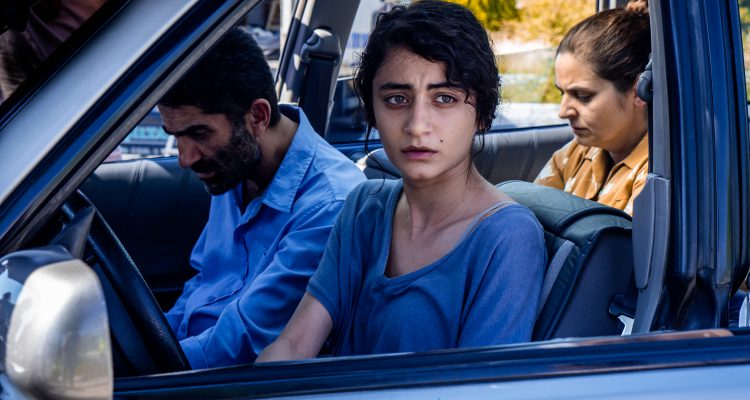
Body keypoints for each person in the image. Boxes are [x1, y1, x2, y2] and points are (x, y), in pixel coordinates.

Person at [257, 0, 545, 362]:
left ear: (483, 114)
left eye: (445, 98)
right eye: (396, 99)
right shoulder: (364, 207)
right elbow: (295, 344)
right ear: (372, 112)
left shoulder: (507, 236)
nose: (417, 125)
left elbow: (481, 384)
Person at [158, 27, 365, 369]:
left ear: (257, 116)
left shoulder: (329, 206)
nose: (185, 158)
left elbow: (246, 341)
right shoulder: (233, 166)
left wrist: (149, 369)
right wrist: (152, 340)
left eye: (199, 134)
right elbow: (203, 284)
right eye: (176, 136)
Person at [534, 0, 650, 215]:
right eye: (562, 93)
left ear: (638, 91)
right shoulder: (573, 154)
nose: (563, 112)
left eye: (583, 96)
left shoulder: (658, 175)